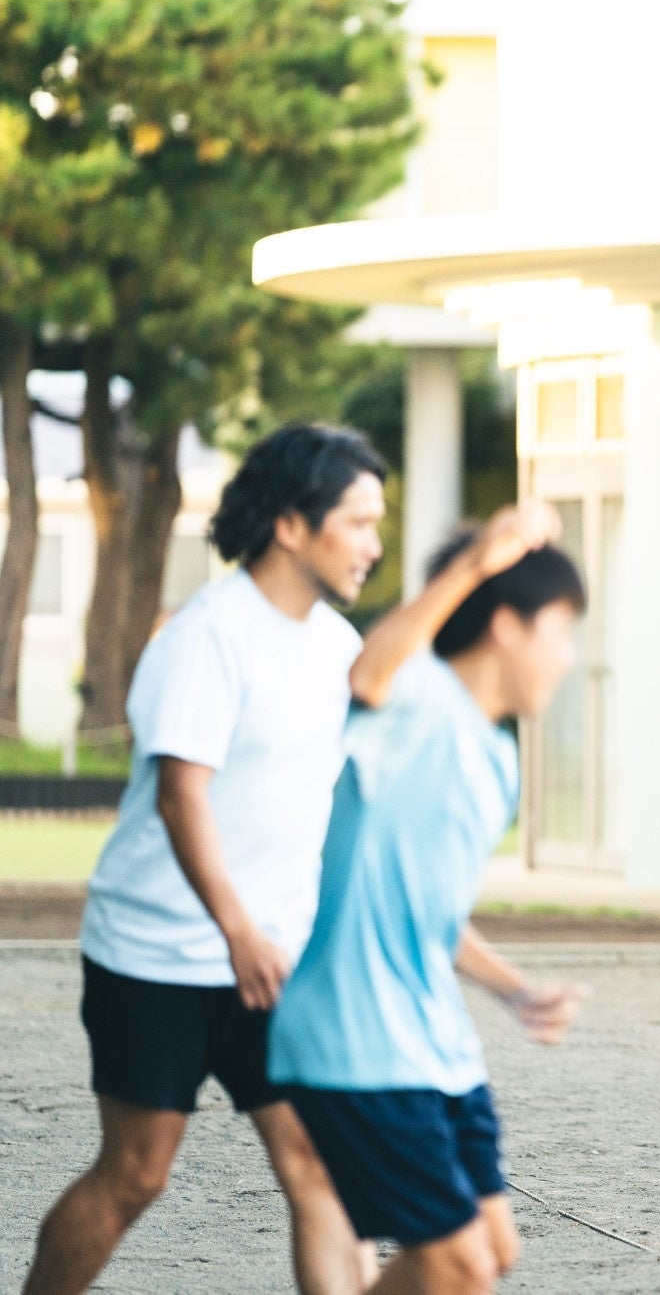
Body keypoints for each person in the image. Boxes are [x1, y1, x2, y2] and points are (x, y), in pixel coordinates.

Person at [26, 424, 387, 1295]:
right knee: (137, 1173)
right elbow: (179, 796)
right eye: (360, 522)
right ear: (293, 525)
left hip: (279, 961)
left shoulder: (337, 646)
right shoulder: (207, 635)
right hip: (157, 954)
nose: (376, 546)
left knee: (320, 1166)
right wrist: (236, 929)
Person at [267, 506, 589, 1294]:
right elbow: (369, 673)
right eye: (563, 630)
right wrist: (477, 561)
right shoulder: (419, 702)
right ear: (509, 627)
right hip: (356, 1039)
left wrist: (514, 987)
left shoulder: (497, 758)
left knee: (490, 1252)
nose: (570, 656)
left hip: (437, 1044)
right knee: (458, 1264)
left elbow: (428, 909)